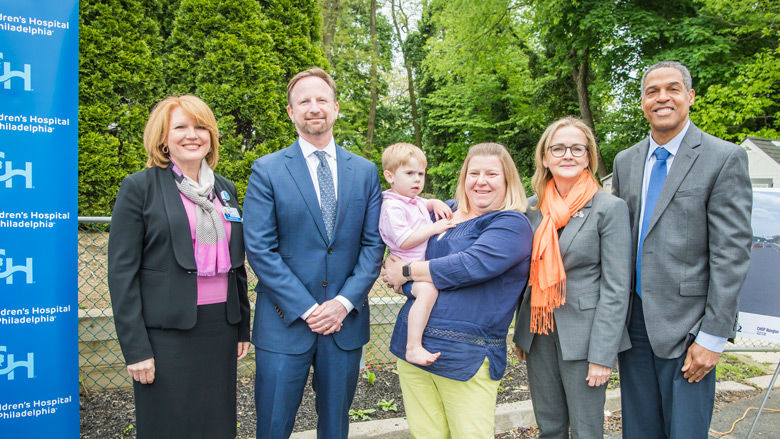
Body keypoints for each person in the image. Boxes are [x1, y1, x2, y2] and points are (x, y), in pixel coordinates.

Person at [612, 61, 753, 438]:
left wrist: (713, 337)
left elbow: (732, 253)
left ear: (689, 97)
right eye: (652, 91)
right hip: (634, 324)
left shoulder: (723, 158)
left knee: (685, 432)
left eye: (672, 89)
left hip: (689, 328)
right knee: (639, 432)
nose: (662, 98)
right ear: (642, 102)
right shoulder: (626, 162)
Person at [242, 67, 385, 439]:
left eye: (321, 99)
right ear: (291, 113)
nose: (314, 107)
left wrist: (342, 303)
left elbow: (373, 246)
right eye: (303, 101)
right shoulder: (267, 170)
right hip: (284, 323)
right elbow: (260, 248)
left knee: (336, 427)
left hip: (345, 324)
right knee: (273, 426)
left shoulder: (366, 172)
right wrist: (308, 309)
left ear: (336, 108)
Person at [108, 95, 250, 439]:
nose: (193, 134)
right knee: (167, 427)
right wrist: (136, 349)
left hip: (220, 328)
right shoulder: (139, 188)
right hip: (165, 335)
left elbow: (237, 265)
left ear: (211, 136)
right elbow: (121, 274)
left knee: (215, 425)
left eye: (201, 126)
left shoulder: (225, 190)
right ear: (163, 138)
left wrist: (243, 325)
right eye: (181, 127)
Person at [382, 142, 534, 439]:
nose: (481, 181)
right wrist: (397, 273)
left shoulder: (510, 223)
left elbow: (468, 266)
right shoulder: (445, 212)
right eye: (473, 172)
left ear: (507, 180)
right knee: (427, 435)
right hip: (411, 347)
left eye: (492, 173)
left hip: (466, 354)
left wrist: (404, 272)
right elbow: (400, 246)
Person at [512, 116, 631, 438]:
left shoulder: (609, 208)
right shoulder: (531, 208)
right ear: (545, 157)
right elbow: (522, 274)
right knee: (549, 425)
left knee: (586, 429)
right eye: (559, 148)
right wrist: (521, 331)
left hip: (586, 338)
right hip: (538, 332)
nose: (568, 155)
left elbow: (617, 288)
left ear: (589, 157)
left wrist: (603, 355)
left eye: (577, 148)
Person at [378, 142, 454, 366]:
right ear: (390, 176)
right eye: (409, 173)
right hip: (406, 271)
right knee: (428, 292)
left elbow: (427, 203)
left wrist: (436, 202)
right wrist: (434, 228)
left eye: (421, 173)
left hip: (418, 268)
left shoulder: (412, 200)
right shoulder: (392, 207)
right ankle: (413, 346)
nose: (417, 179)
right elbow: (404, 240)